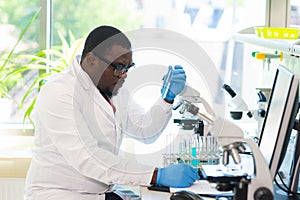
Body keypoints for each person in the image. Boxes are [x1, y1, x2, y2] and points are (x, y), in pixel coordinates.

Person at [24, 25, 200, 200]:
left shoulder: (112, 87)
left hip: (99, 192)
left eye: (128, 68)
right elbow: (88, 158)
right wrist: (155, 175)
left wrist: (167, 98)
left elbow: (145, 131)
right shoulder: (60, 92)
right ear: (92, 60)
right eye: (119, 67)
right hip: (60, 194)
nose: (123, 75)